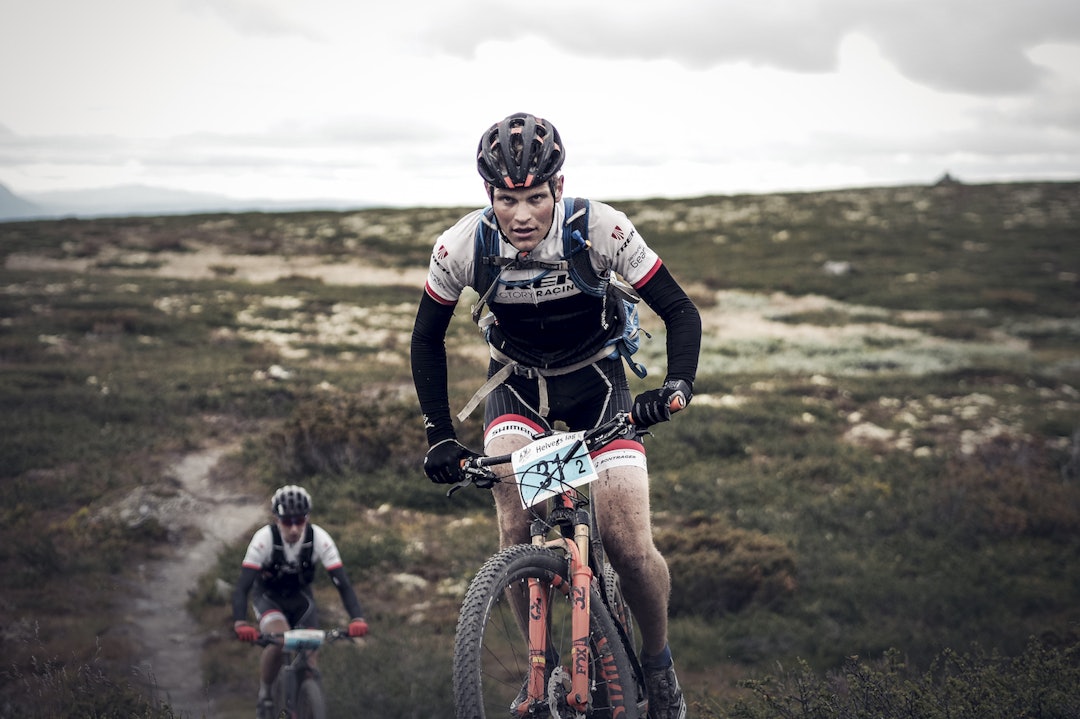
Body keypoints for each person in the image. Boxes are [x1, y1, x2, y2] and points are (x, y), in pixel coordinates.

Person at [410, 112, 700, 719]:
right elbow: (426, 338)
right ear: (488, 194)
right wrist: (439, 434)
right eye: (507, 199)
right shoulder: (464, 244)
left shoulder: (601, 229)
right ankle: (540, 672)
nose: (520, 215)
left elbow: (679, 310)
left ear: (559, 188)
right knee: (517, 526)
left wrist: (674, 388)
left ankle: (657, 662)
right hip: (519, 390)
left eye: (535, 198)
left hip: (598, 389)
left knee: (626, 543)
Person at [232, 484, 369, 719]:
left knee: (310, 656)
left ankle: (309, 702)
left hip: (300, 600)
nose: (294, 528)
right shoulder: (264, 539)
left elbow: (343, 584)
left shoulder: (319, 539)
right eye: (287, 521)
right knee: (279, 640)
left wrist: (357, 618)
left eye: (300, 520)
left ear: (307, 518)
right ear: (276, 519)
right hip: (269, 599)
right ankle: (265, 695)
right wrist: (240, 622)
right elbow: (243, 587)